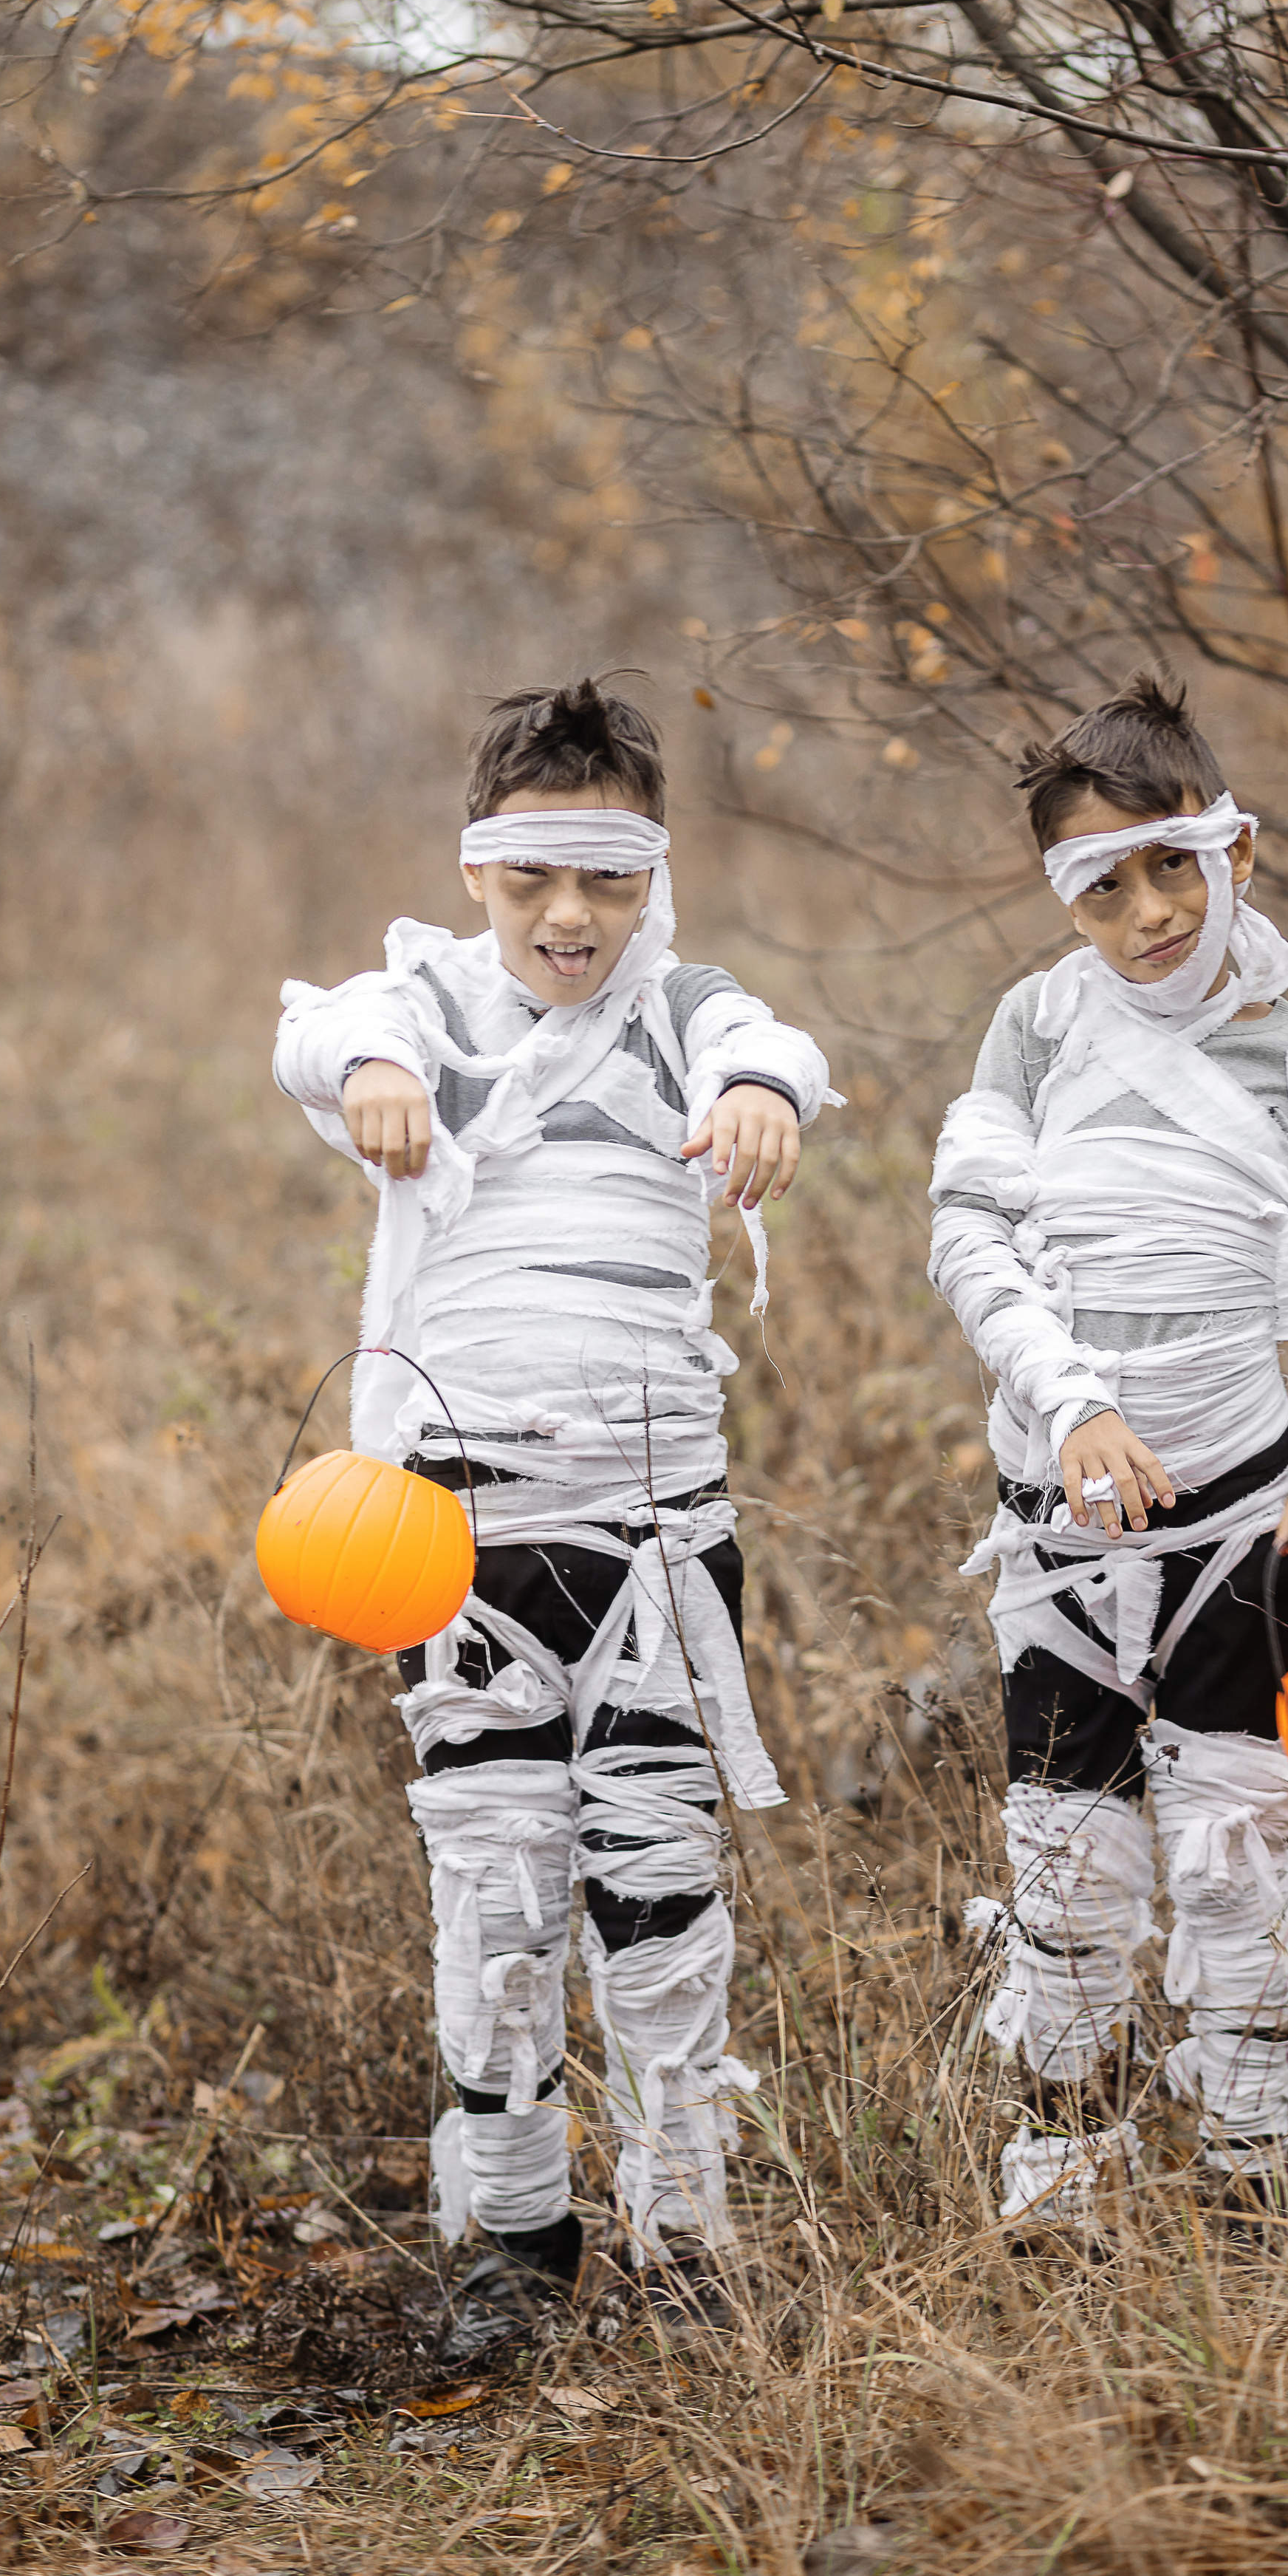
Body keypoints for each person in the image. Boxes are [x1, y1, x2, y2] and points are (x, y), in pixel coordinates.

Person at [273, 678, 832, 2327]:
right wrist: (374, 1058)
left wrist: (762, 1100)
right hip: (457, 1535)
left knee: (659, 1899)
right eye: (531, 880)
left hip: (655, 1530)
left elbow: (769, 1040)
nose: (569, 916)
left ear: (654, 877)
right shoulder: (423, 1009)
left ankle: (683, 2240)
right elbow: (308, 1025)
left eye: (607, 879)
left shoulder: (682, 1011)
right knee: (498, 1891)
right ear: (477, 874)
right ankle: (513, 2239)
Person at [929, 672, 1288, 2232]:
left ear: (1235, 854)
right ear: (1063, 903)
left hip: (1243, 1523)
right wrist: (1070, 1400)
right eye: (1100, 885)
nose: (1145, 911)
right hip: (1057, 1527)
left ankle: (1241, 2176)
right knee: (1066, 1869)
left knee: (1235, 1852)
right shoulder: (1029, 1032)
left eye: (1169, 866)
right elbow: (967, 1234)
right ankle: (1059, 2186)